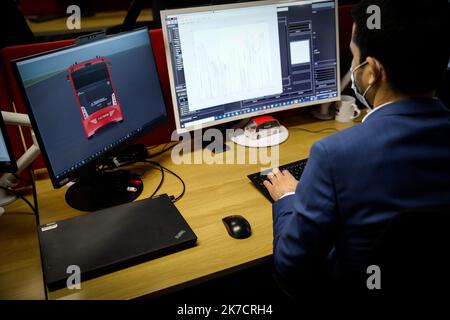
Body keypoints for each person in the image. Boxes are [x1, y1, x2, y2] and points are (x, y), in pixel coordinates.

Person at [263, 0, 450, 297]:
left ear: (372, 71)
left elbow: (291, 266)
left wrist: (288, 197)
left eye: (353, 55)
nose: (352, 66)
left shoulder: (335, 154)